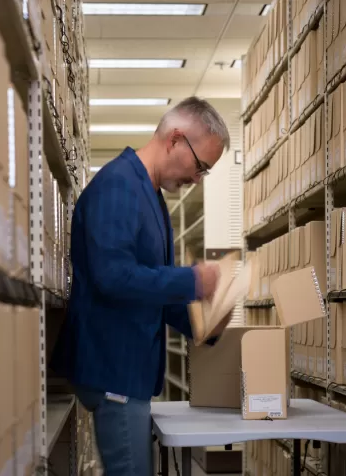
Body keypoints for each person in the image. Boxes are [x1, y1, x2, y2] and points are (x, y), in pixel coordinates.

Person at [51, 96, 233, 475]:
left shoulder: (148, 194)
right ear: (175, 139)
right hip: (113, 369)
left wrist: (204, 325)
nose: (197, 180)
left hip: (127, 370)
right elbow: (112, 276)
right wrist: (192, 279)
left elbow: (151, 292)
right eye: (200, 166)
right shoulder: (118, 186)